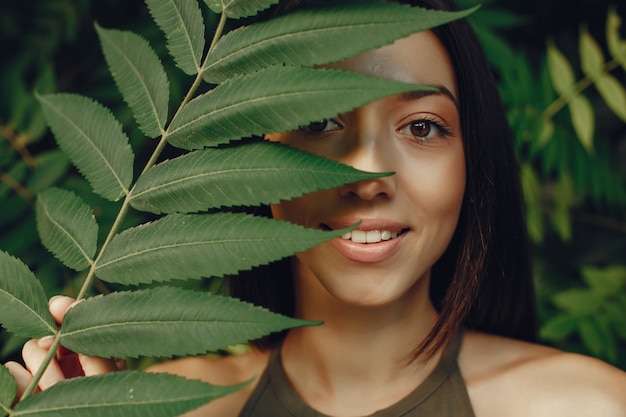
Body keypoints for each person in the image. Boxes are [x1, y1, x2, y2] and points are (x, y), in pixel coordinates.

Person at [6, 0, 626, 416]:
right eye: (318, 120)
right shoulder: (172, 407)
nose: (365, 173)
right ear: (249, 163)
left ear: (474, 160)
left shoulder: (587, 406)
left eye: (421, 127)